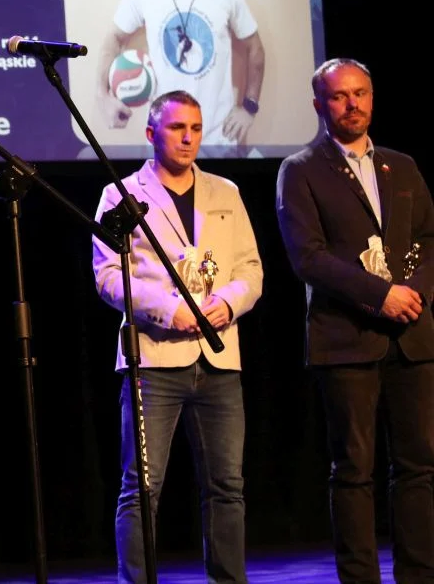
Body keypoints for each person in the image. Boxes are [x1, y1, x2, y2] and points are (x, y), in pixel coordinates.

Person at [92, 90, 263, 583]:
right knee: (141, 488)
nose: (188, 138)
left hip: (219, 360)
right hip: (153, 361)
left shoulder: (225, 192)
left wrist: (227, 302)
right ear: (151, 133)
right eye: (176, 128)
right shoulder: (121, 195)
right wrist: (171, 311)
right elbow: (107, 276)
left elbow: (251, 269)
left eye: (195, 128)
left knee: (227, 486)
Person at [275, 58, 434, 584]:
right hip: (346, 338)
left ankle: (418, 574)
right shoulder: (300, 169)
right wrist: (380, 296)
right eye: (340, 96)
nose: (353, 104)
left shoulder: (401, 165)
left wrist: (414, 295)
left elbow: (428, 239)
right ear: (319, 105)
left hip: (412, 336)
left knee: (417, 467)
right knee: (354, 469)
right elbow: (309, 257)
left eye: (361, 93)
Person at [96, 0, 265, 148]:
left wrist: (249, 107)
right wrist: (103, 95)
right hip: (163, 139)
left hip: (218, 140)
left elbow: (255, 48)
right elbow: (113, 39)